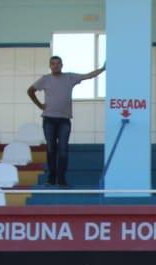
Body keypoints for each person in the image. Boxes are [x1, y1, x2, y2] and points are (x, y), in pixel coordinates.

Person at [26, 55, 105, 187]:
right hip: (49, 120)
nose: (55, 66)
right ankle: (51, 179)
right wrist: (40, 105)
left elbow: (88, 76)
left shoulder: (69, 77)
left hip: (64, 120)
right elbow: (30, 91)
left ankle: (61, 180)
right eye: (53, 63)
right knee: (51, 149)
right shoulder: (45, 79)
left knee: (63, 150)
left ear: (62, 65)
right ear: (50, 66)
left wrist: (102, 69)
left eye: (58, 63)